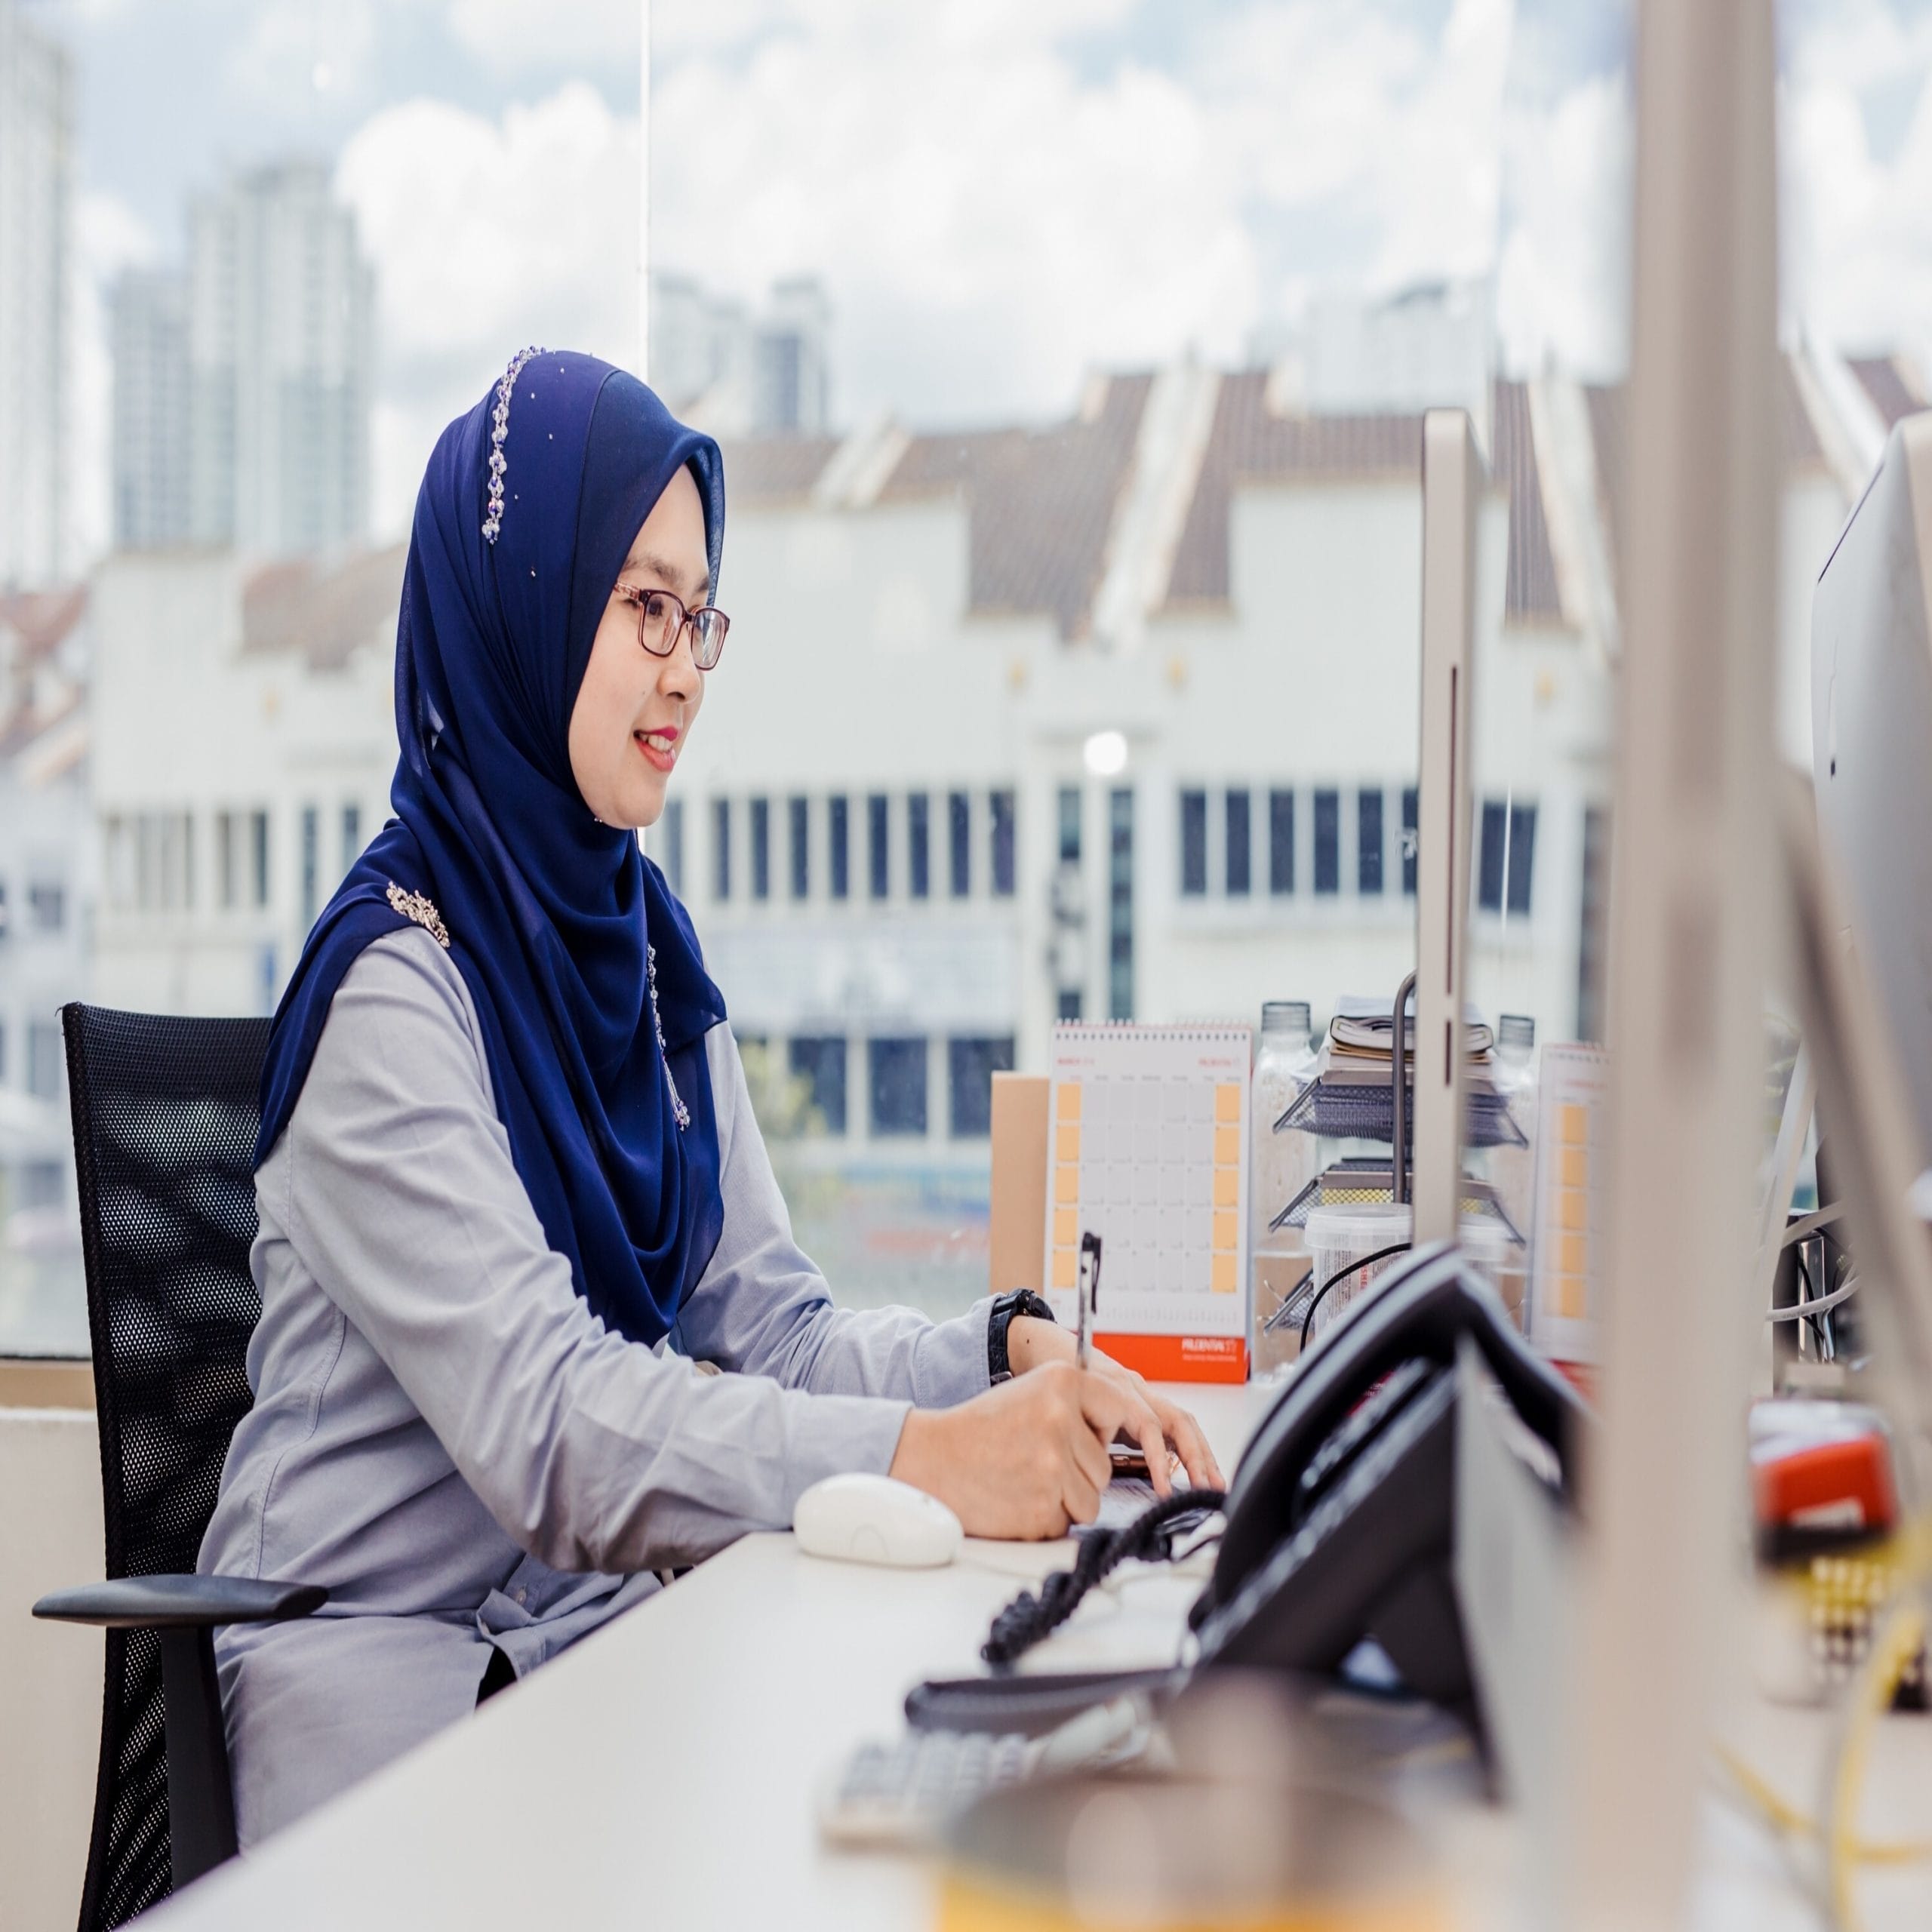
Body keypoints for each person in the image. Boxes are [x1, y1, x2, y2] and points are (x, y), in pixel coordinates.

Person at [198, 349, 1222, 1844]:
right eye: (638, 607)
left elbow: (773, 1328)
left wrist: (997, 1352)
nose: (682, 666)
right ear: (523, 615)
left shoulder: (646, 963)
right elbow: (550, 1422)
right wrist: (924, 1457)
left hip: (588, 1650)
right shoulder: (390, 988)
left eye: (698, 613)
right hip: (379, 1698)